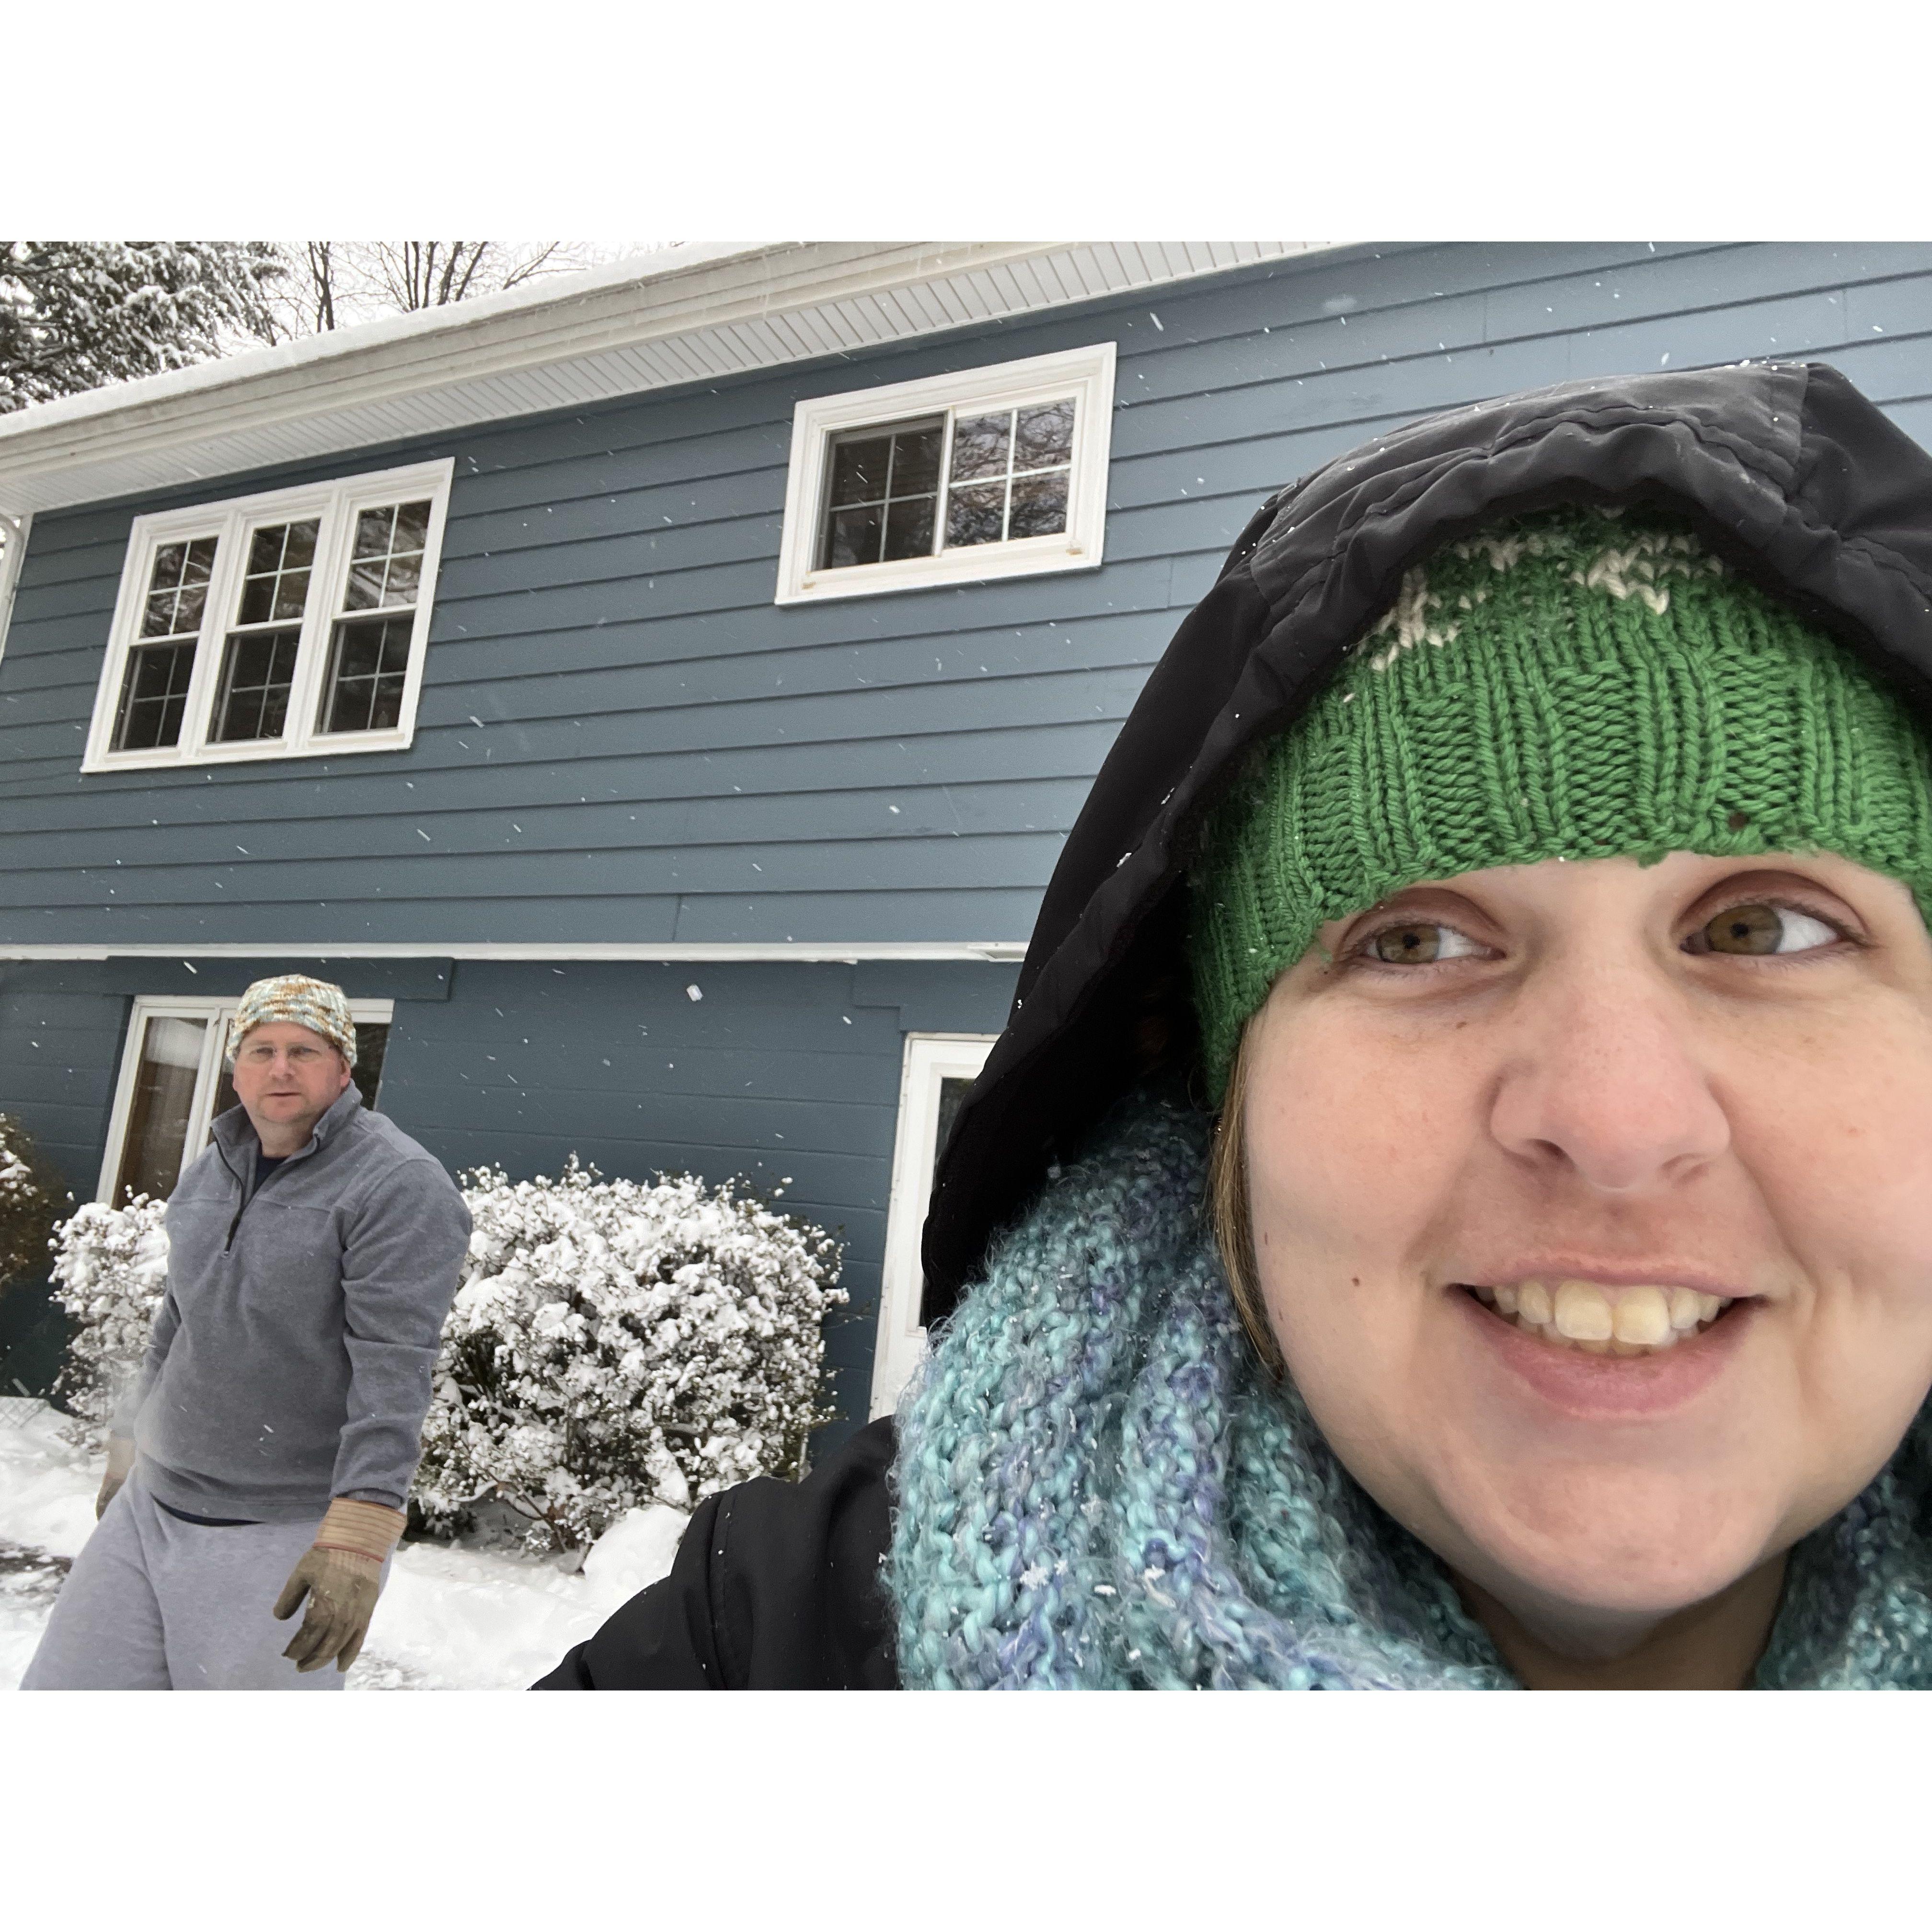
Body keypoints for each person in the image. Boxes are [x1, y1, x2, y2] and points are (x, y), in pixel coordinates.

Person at [534, 359, 1932, 1690]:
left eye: (1765, 931)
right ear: (1229, 1090)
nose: (1616, 1121)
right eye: (1420, 940)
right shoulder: (777, 1649)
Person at [23, 975, 471, 1690]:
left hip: (279, 1529)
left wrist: (359, 1535)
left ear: (344, 1069)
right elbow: (181, 1316)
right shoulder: (215, 1167)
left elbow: (395, 1368)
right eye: (261, 1049)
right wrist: (129, 1439)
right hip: (152, 1508)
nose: (280, 1067)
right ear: (237, 1068)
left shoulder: (398, 1184)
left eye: (304, 1049)